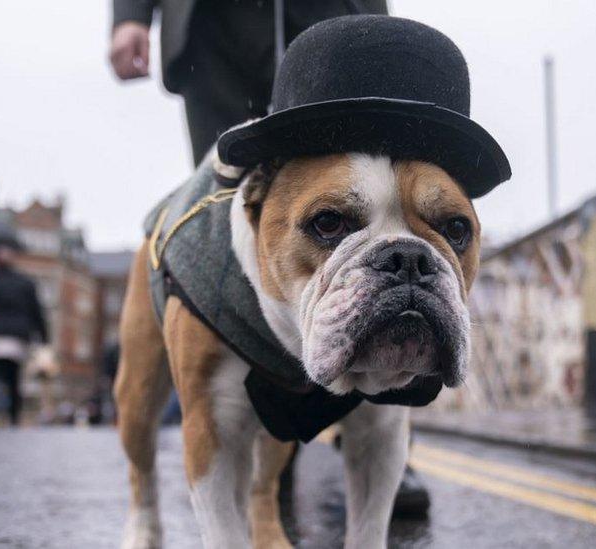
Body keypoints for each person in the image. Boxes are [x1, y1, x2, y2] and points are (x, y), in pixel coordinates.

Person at [109, 0, 431, 518]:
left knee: (378, 196)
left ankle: (374, 429)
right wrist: (130, 13)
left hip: (334, 14)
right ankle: (251, 469)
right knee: (233, 233)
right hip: (214, 26)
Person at [109, 0, 388, 165]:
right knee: (223, 183)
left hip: (326, 14)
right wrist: (131, 15)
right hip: (210, 28)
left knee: (341, 172)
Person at [0, 243, 48, 425]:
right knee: (13, 377)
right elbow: (36, 312)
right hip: (18, 337)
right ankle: (13, 417)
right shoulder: (25, 284)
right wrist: (44, 338)